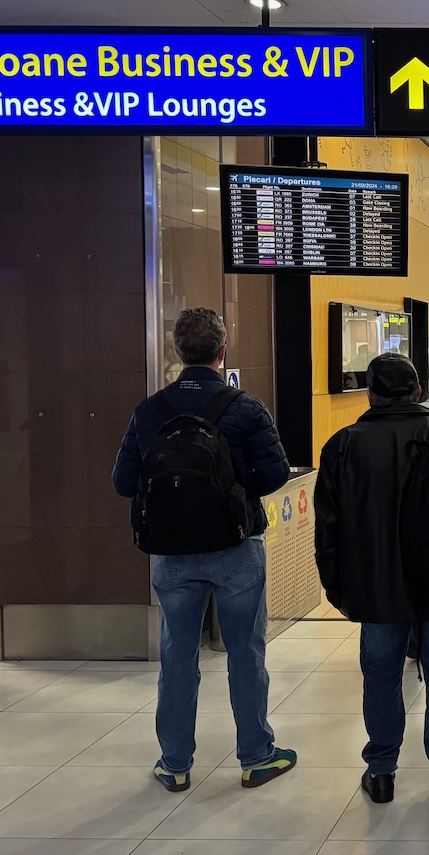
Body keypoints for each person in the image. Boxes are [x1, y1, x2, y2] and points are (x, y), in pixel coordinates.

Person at [112, 307, 295, 792]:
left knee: (177, 654)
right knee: (245, 653)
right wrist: (234, 493)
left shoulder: (149, 411)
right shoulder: (245, 407)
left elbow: (123, 481)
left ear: (176, 351)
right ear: (222, 351)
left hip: (172, 554)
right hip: (237, 548)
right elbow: (276, 475)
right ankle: (256, 756)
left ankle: (174, 763)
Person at [314, 353, 429, 804]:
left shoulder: (342, 445)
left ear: (370, 394)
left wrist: (339, 587)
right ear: (418, 391)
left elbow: (328, 530)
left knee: (380, 672)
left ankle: (380, 771)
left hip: (376, 584)